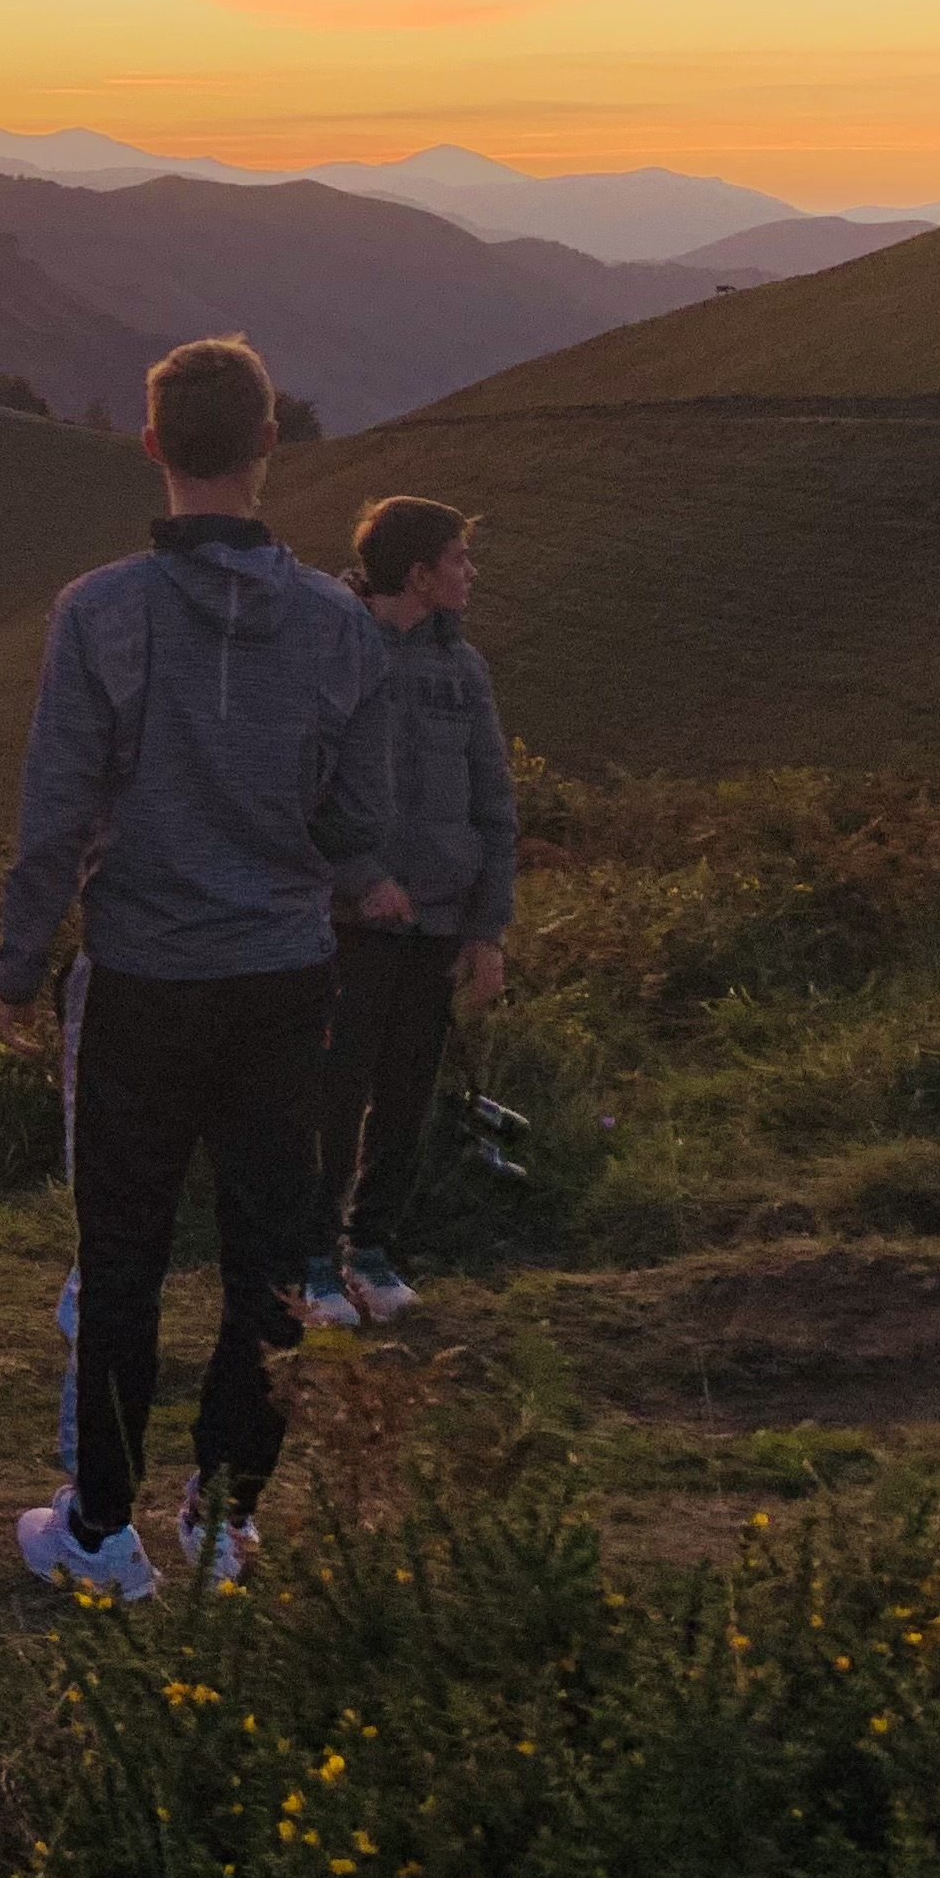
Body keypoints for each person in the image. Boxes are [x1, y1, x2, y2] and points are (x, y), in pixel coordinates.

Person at [0, 338, 388, 1602]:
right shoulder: (333, 621)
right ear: (272, 443)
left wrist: (14, 962)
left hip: (145, 976)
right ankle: (226, 1519)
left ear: (152, 444)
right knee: (270, 1253)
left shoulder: (99, 612)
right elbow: (359, 815)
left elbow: (54, 811)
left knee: (123, 1255)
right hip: (282, 976)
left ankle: (103, 1531)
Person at [306, 498, 518, 1330]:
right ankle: (314, 1257)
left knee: (406, 1098)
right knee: (333, 1094)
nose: (471, 572)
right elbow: (304, 786)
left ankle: (373, 1250)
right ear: (420, 574)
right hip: (349, 929)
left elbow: (492, 805)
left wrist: (487, 929)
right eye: (459, 558)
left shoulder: (466, 671)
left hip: (435, 926)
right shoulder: (336, 654)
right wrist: (360, 878)